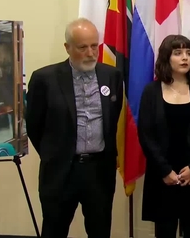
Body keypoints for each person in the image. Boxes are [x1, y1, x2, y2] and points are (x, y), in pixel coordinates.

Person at [26, 18, 123, 238]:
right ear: (67, 47)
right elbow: (34, 125)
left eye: (94, 46)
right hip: (61, 172)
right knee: (54, 230)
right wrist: (55, 153)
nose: (90, 53)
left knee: (100, 231)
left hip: (99, 171)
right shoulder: (45, 79)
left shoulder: (112, 76)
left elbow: (112, 118)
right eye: (82, 47)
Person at [138, 34, 190, 238]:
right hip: (163, 175)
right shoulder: (151, 91)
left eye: (188, 53)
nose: (185, 58)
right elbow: (146, 135)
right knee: (164, 231)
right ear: (166, 57)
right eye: (178, 53)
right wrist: (164, 170)